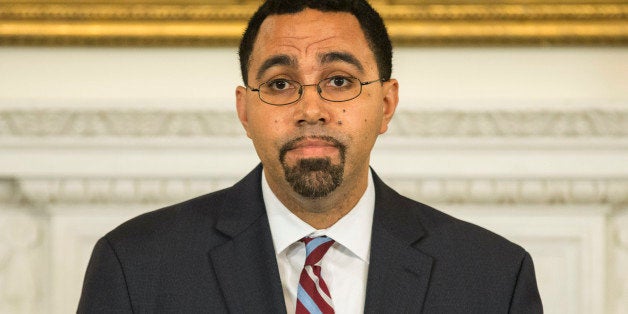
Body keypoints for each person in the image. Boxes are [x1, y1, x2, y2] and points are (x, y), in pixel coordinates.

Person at [78, 0, 543, 313]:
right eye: (280, 84)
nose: (310, 109)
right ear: (245, 110)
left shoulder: (493, 278)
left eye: (339, 80)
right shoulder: (134, 266)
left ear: (385, 105)